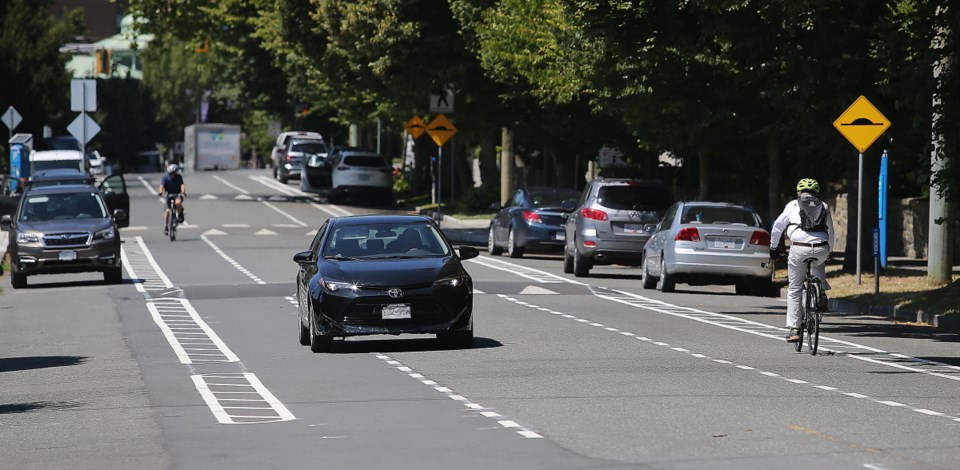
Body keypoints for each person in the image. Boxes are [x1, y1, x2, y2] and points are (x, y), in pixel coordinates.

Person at [770, 178, 835, 343]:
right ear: (816, 193)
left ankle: (794, 329)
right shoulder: (824, 206)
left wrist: (773, 248)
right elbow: (831, 232)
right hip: (821, 247)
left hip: (798, 247)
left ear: (799, 192)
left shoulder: (792, 205)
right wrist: (829, 251)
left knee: (794, 289)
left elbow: (778, 226)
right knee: (819, 261)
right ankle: (820, 292)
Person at [158, 163, 186, 235]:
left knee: (178, 203)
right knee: (167, 211)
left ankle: (180, 214)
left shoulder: (179, 177)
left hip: (177, 194)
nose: (171, 175)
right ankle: (166, 226)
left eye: (173, 173)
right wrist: (161, 192)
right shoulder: (165, 177)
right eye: (170, 173)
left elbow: (182, 185)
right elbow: (162, 186)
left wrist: (183, 192)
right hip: (169, 195)